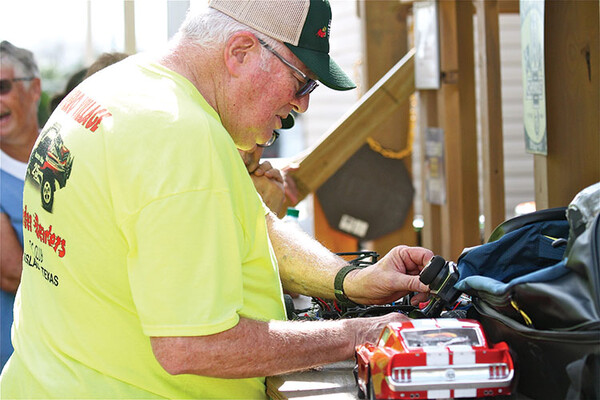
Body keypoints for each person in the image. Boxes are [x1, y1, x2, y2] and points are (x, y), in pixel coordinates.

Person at [0, 1, 433, 398]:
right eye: (302, 81)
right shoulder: (179, 136)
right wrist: (358, 335)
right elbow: (192, 345)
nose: (301, 105)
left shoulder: (117, 87)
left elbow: (252, 221)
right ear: (241, 51)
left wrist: (351, 282)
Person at [0, 41, 41, 369]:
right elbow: (13, 274)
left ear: (35, 89)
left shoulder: (73, 152)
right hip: (14, 364)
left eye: (2, 87)